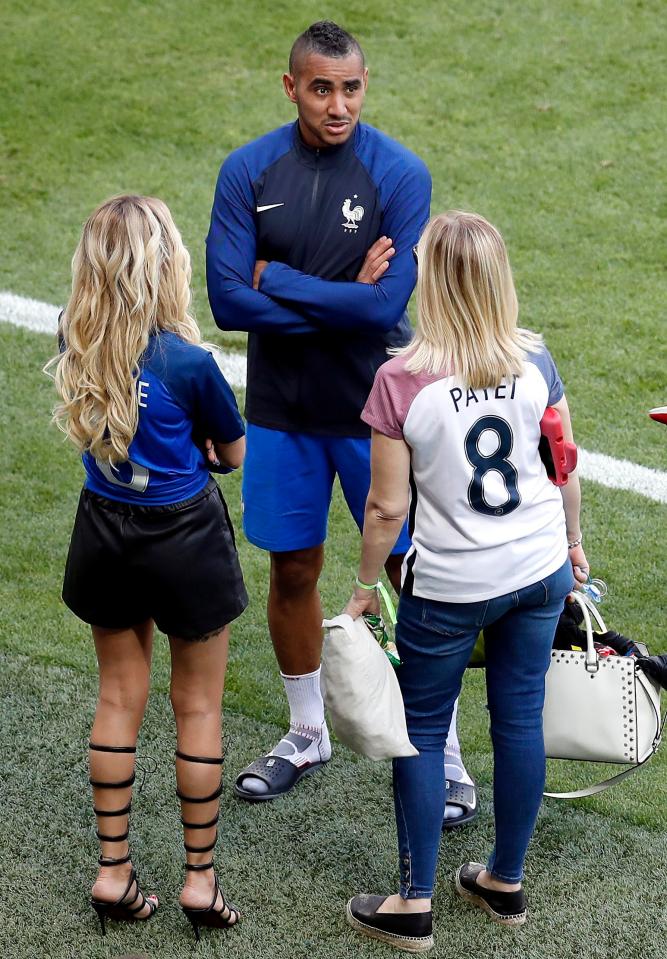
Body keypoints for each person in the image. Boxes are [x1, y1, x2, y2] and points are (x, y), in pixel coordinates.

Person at [206, 19, 474, 814]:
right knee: (292, 568)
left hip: (378, 416)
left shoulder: (399, 173)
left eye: (350, 87)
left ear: (364, 85)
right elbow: (226, 302)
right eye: (320, 87)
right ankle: (305, 730)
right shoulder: (248, 170)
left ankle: (444, 751)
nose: (337, 104)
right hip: (284, 413)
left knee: (407, 576)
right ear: (290, 86)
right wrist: (344, 294)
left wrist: (278, 278)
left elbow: (384, 308)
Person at [343, 211, 588, 952]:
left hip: (450, 583)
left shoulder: (400, 378)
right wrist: (574, 547)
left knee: (418, 732)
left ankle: (411, 903)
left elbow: (387, 505)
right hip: (538, 566)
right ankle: (503, 882)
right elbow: (563, 464)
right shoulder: (534, 358)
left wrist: (361, 586)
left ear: (434, 282)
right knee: (517, 717)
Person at [49, 195, 247, 941]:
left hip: (104, 532)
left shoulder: (75, 335)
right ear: (163, 266)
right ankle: (199, 882)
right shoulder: (191, 363)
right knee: (196, 706)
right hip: (185, 537)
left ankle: (113, 870)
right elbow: (232, 455)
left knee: (117, 696)